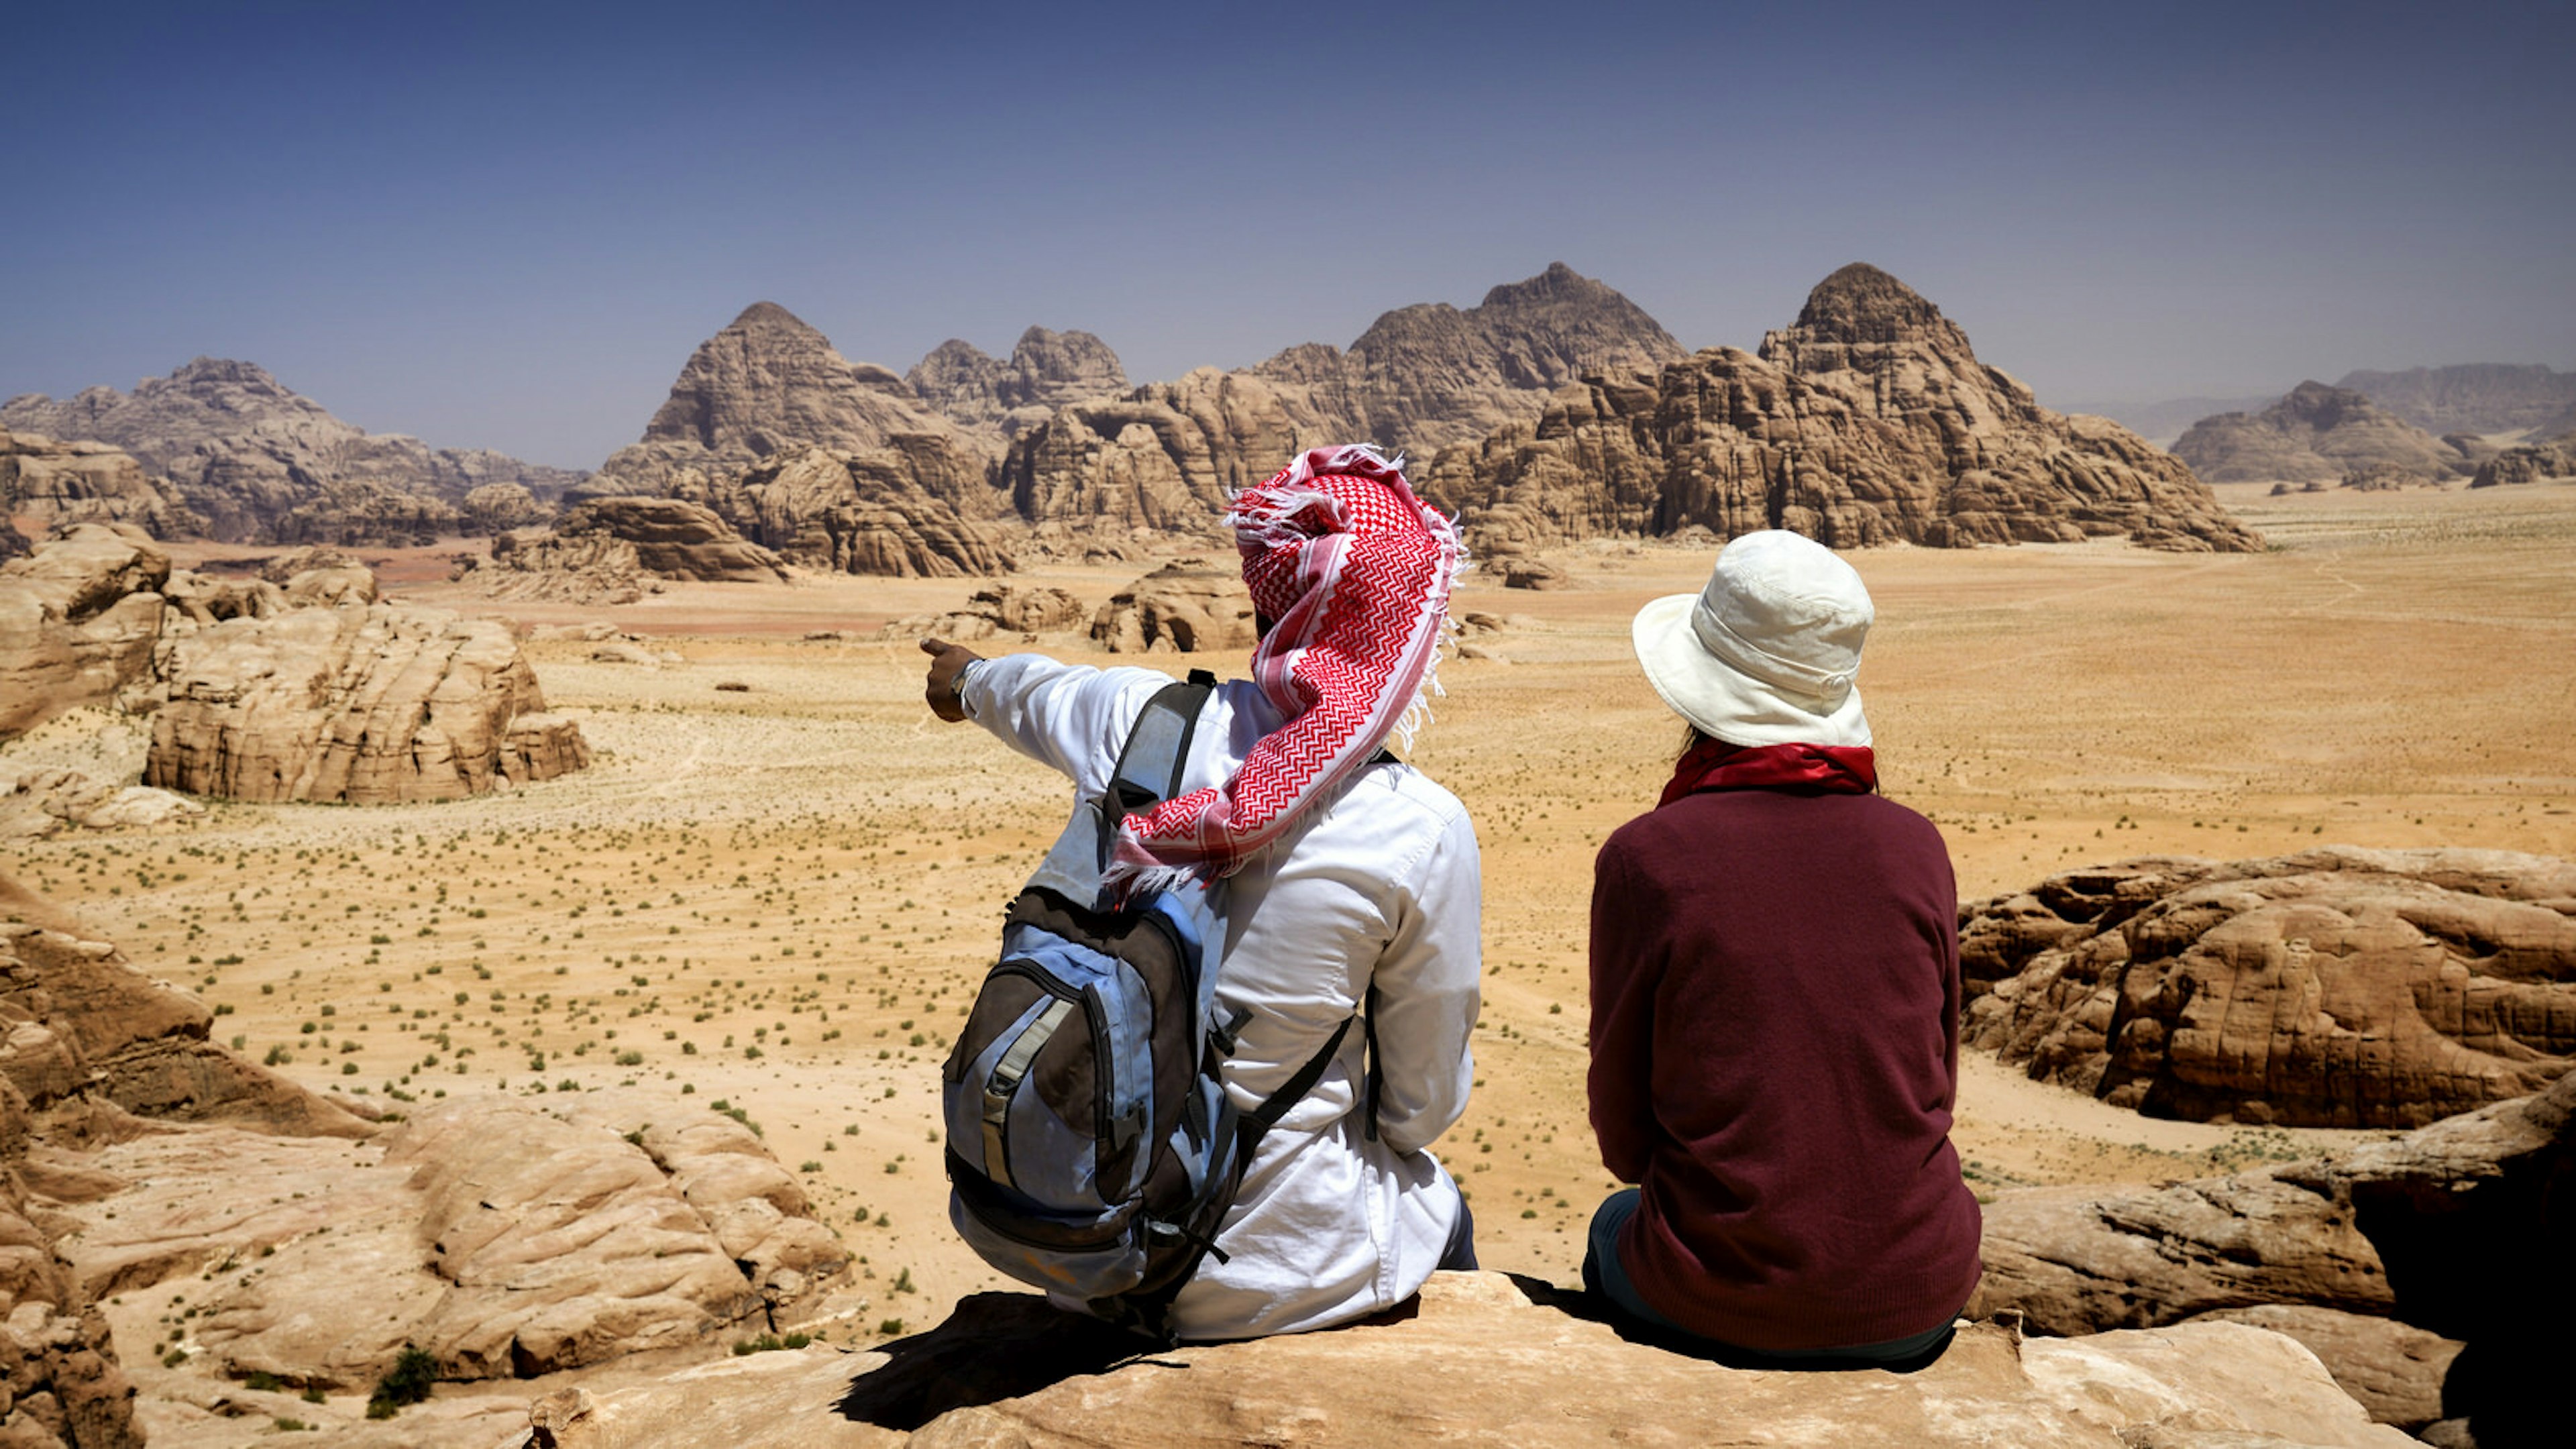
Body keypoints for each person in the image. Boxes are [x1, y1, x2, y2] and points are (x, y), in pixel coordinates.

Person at [920, 443, 1483, 1340]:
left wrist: (963, 681)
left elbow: (1026, 692)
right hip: (1293, 1279)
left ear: (1270, 599)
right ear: (1406, 625)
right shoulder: (1419, 828)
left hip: (1092, 1240)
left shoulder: (1136, 721)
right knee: (1440, 1207)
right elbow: (1420, 1110)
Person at [1582, 529, 1982, 1368]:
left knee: (1610, 1226)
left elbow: (1625, 1144)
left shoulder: (1647, 857)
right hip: (1920, 1288)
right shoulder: (1917, 846)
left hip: (1717, 1292)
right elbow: (1935, 1083)